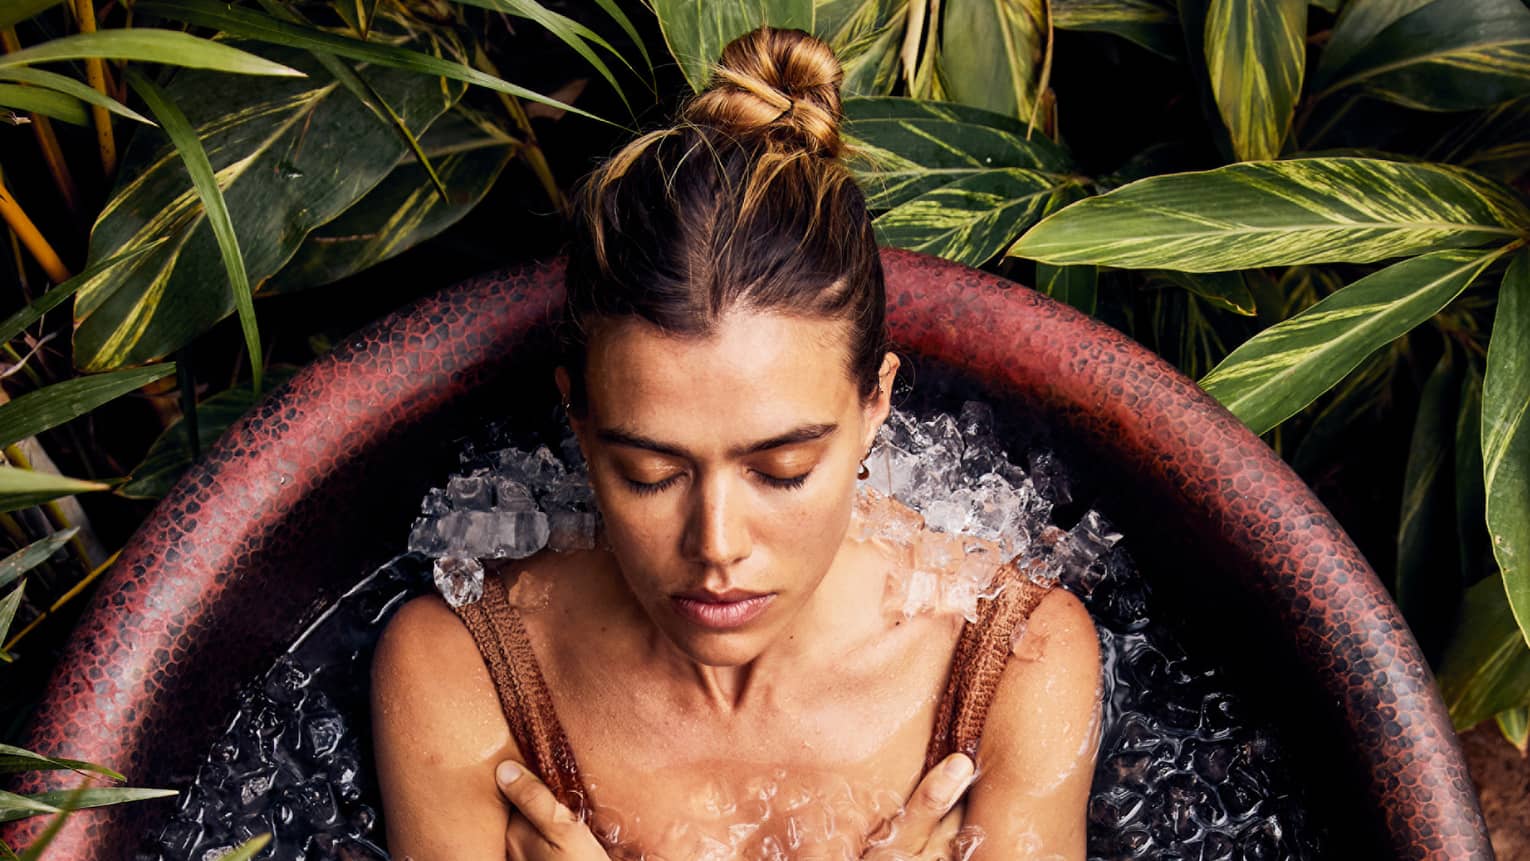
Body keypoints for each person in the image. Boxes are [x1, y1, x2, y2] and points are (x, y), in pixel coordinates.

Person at [371, 26, 1102, 860]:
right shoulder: (458, 677)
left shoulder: (1017, 664)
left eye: (783, 470)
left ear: (876, 406)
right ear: (577, 420)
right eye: (649, 472)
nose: (716, 545)